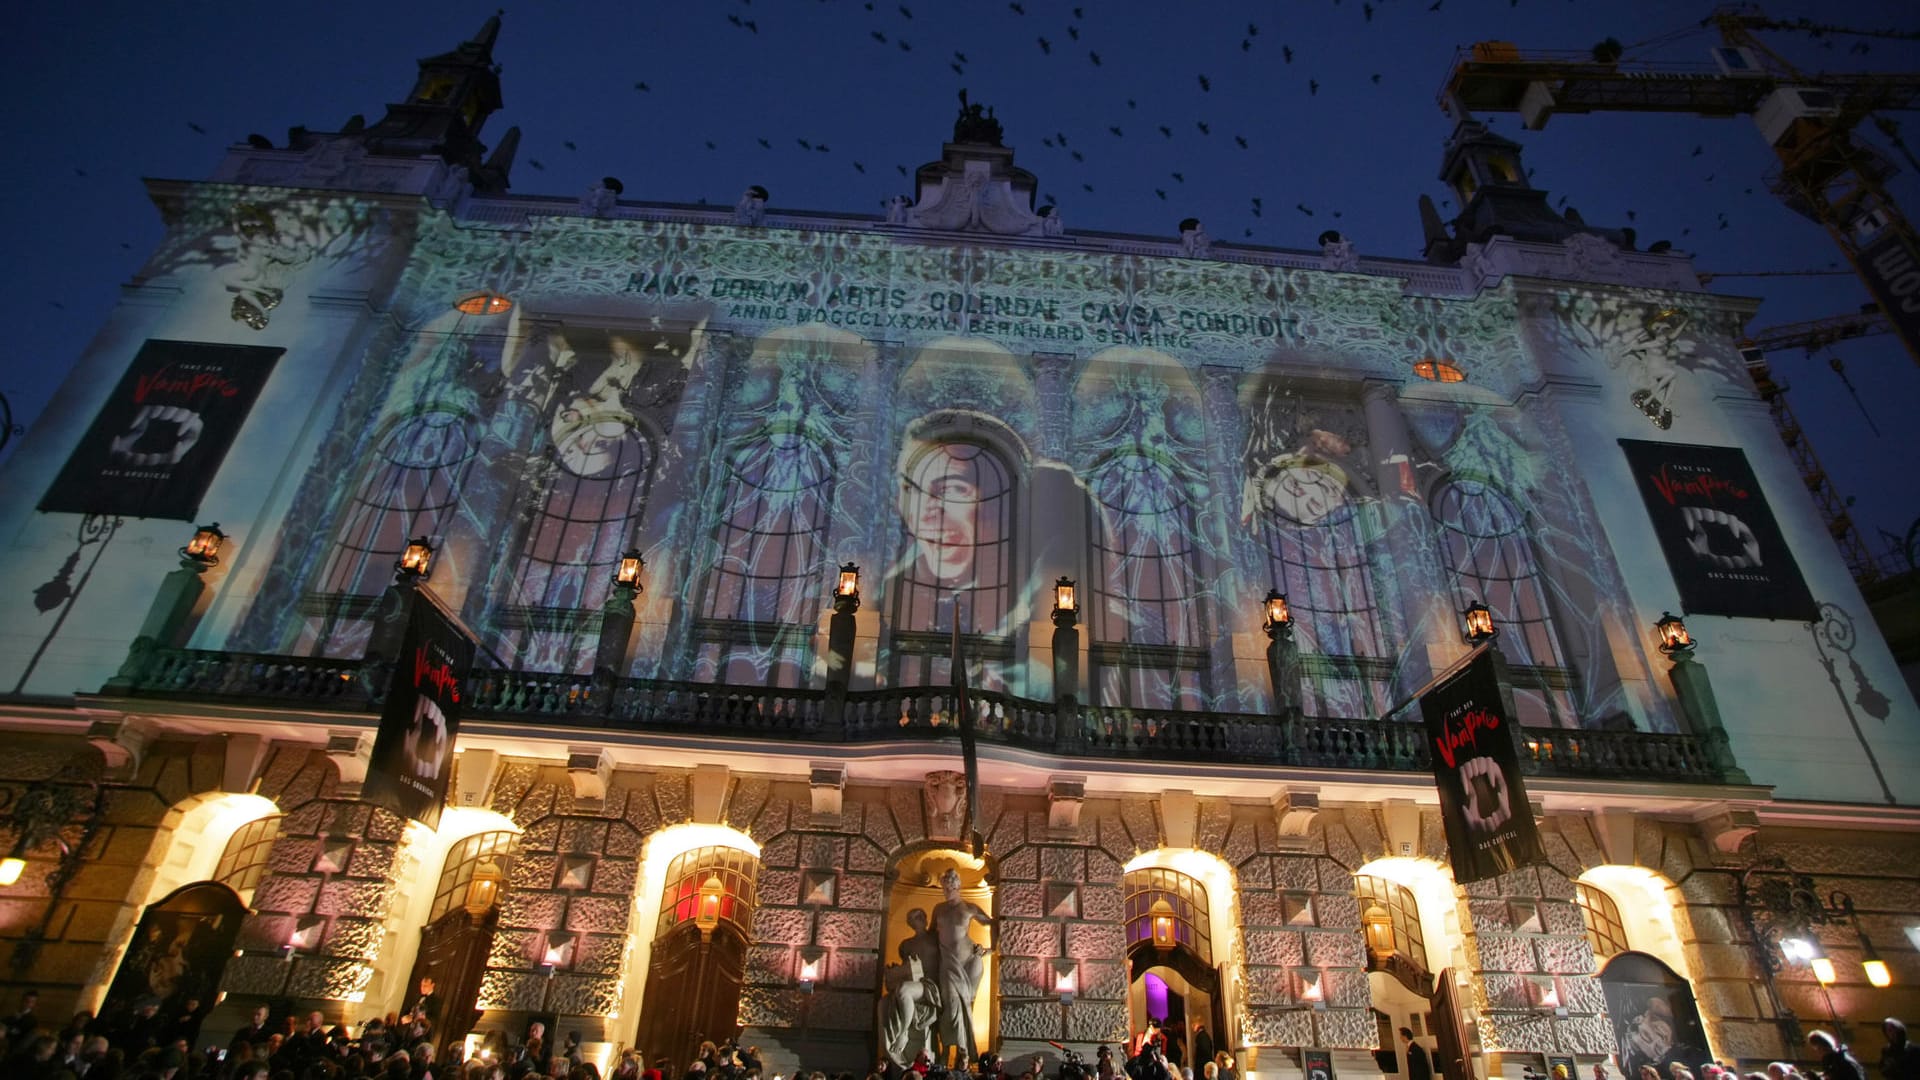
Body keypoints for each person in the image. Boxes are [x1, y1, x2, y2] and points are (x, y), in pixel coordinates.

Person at [930, 868, 992, 1060]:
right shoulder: (938, 909)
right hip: (948, 962)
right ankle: (948, 1048)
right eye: (944, 888)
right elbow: (931, 933)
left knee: (966, 1005)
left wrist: (990, 949)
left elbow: (994, 924)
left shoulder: (969, 908)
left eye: (949, 888)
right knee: (950, 1004)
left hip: (969, 962)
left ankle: (962, 1055)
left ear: (957, 887)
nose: (945, 892)